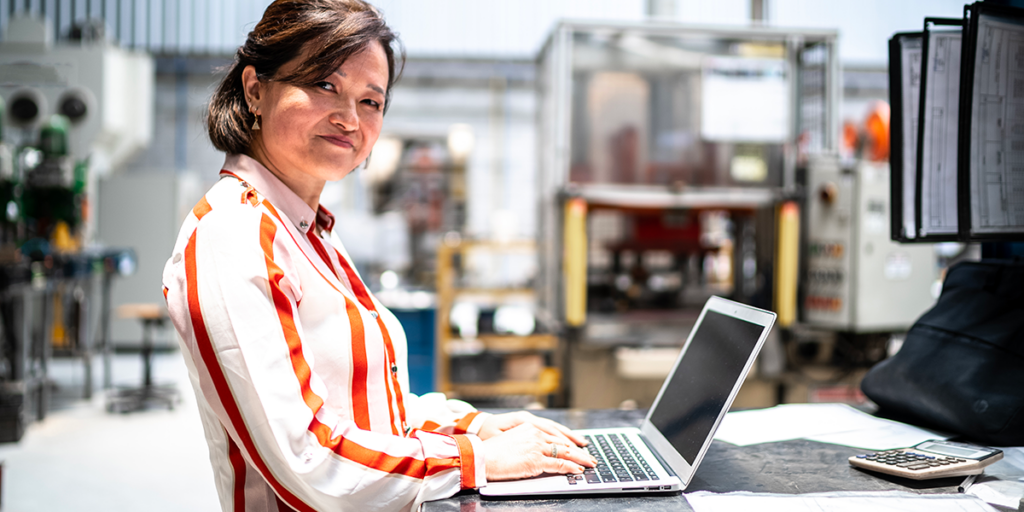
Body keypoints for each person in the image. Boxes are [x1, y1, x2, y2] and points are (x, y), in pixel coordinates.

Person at [161, 1, 594, 511]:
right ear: (256, 89)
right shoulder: (233, 235)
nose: (349, 118)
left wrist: (478, 424)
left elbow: (368, 411)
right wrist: (476, 458)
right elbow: (308, 460)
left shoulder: (307, 228)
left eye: (372, 101)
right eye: (325, 85)